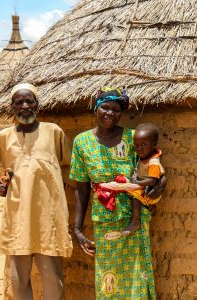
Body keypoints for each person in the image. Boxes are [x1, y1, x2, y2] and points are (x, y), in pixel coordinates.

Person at [0, 83, 73, 300]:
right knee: (18, 282)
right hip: (18, 216)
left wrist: (61, 184)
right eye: (19, 102)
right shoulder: (3, 137)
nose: (25, 106)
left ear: (37, 104)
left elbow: (70, 165)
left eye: (29, 101)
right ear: (12, 107)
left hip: (49, 217)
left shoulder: (53, 131)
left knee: (53, 281)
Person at [70, 86, 166, 299]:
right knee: (108, 282)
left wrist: (161, 182)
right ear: (96, 108)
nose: (110, 113)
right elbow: (82, 187)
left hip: (134, 219)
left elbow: (152, 164)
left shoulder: (134, 138)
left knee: (135, 279)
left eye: (116, 109)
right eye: (105, 107)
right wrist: (77, 228)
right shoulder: (81, 142)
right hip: (104, 220)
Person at [122, 122, 165, 236]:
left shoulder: (153, 162)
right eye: (137, 145)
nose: (139, 148)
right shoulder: (144, 157)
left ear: (153, 144)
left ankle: (135, 221)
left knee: (134, 193)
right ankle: (145, 207)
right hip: (145, 188)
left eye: (144, 145)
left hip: (150, 193)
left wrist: (137, 183)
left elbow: (153, 181)